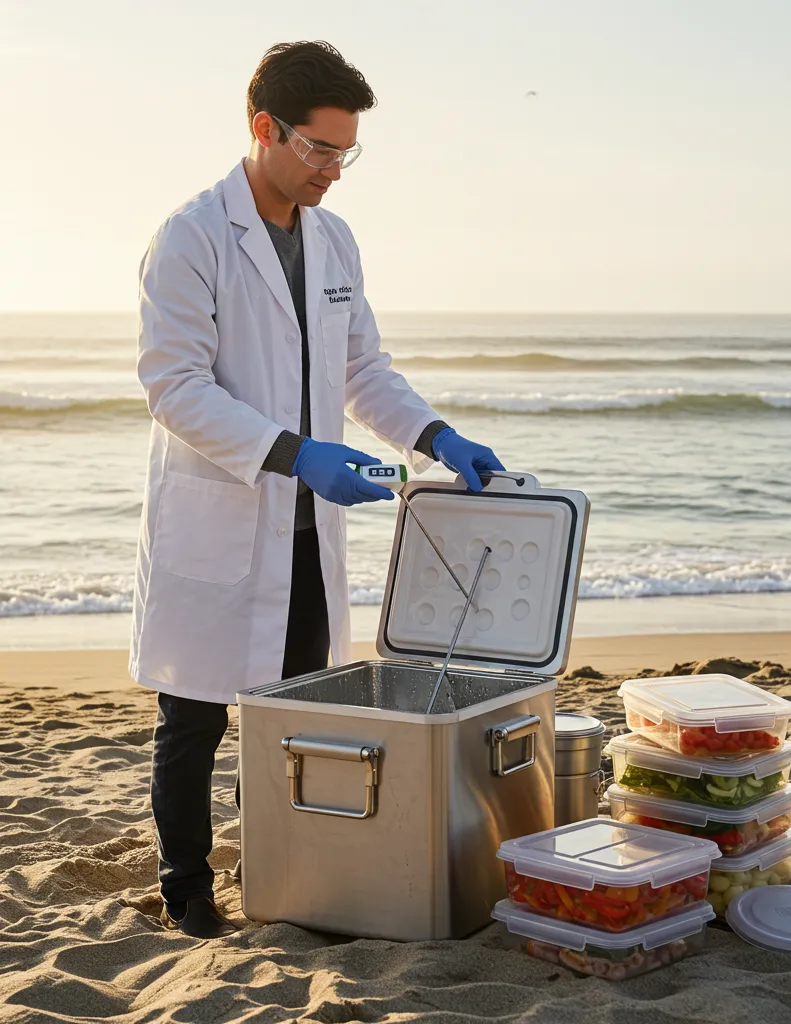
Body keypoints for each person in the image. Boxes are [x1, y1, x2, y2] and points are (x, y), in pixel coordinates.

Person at [131, 40, 504, 938]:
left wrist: (432, 434)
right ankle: (187, 891)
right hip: (224, 517)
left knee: (301, 714)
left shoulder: (334, 239)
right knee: (196, 721)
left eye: (347, 152)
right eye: (320, 149)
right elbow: (172, 386)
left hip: (307, 532)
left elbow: (362, 368)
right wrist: (294, 454)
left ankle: (298, 876)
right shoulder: (190, 236)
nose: (335, 171)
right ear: (265, 128)